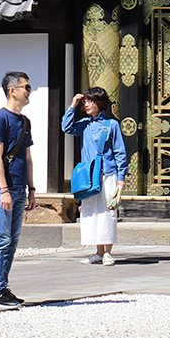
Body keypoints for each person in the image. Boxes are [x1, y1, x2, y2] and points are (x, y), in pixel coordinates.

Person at [0, 70, 35, 307]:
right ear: (12, 91)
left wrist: (32, 189)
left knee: (12, 240)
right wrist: (3, 190)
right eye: (26, 87)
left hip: (19, 188)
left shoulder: (25, 122)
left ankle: (4, 286)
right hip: (3, 189)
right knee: (1, 239)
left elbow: (27, 157)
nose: (29, 91)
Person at [62, 87, 129, 265]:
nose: (87, 105)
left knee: (108, 211)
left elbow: (120, 151)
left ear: (100, 103)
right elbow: (66, 127)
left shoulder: (111, 124)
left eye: (91, 101)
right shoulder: (84, 124)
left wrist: (121, 176)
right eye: (86, 102)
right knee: (91, 211)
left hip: (108, 173)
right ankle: (97, 252)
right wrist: (72, 106)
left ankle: (107, 252)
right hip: (89, 176)